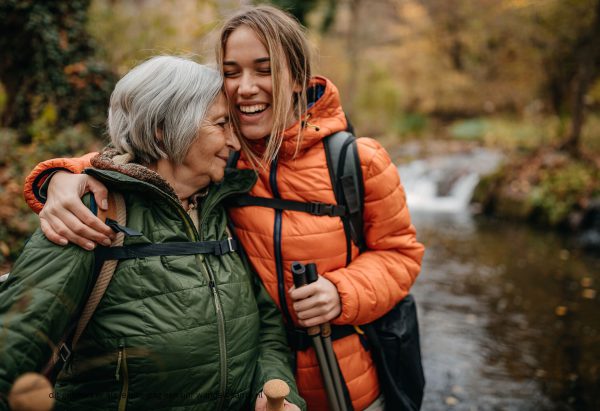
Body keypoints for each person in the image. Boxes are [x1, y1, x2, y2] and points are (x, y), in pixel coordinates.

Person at [22, 5, 425, 410]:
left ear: (299, 77)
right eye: (231, 72)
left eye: (264, 70)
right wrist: (61, 176)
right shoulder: (220, 156)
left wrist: (343, 292)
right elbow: (139, 156)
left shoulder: (358, 161)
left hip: (346, 383)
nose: (245, 87)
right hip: (251, 385)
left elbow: (401, 255)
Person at [1, 55, 304, 411]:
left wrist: (277, 394)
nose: (234, 142)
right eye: (221, 124)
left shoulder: (222, 211)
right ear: (164, 128)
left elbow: (266, 329)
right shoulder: (92, 214)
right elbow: (12, 349)